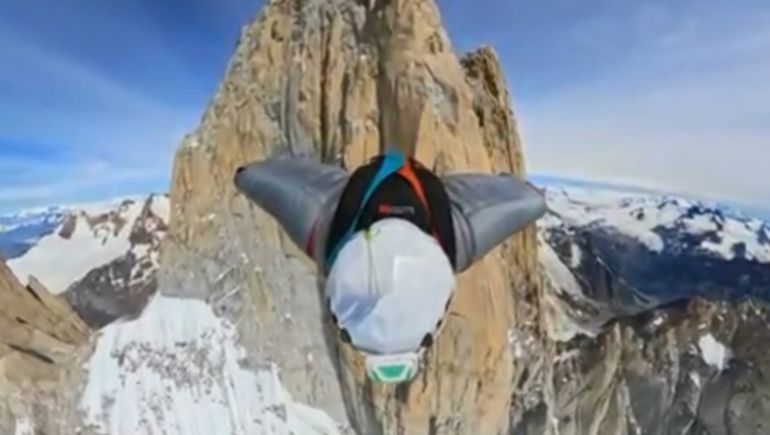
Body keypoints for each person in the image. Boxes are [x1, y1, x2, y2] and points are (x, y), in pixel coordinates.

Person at [234, 149, 546, 359]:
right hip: (354, 204)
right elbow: (260, 180)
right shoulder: (321, 227)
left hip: (435, 208)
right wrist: (246, 175)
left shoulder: (461, 236)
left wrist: (529, 196)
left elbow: (527, 201)